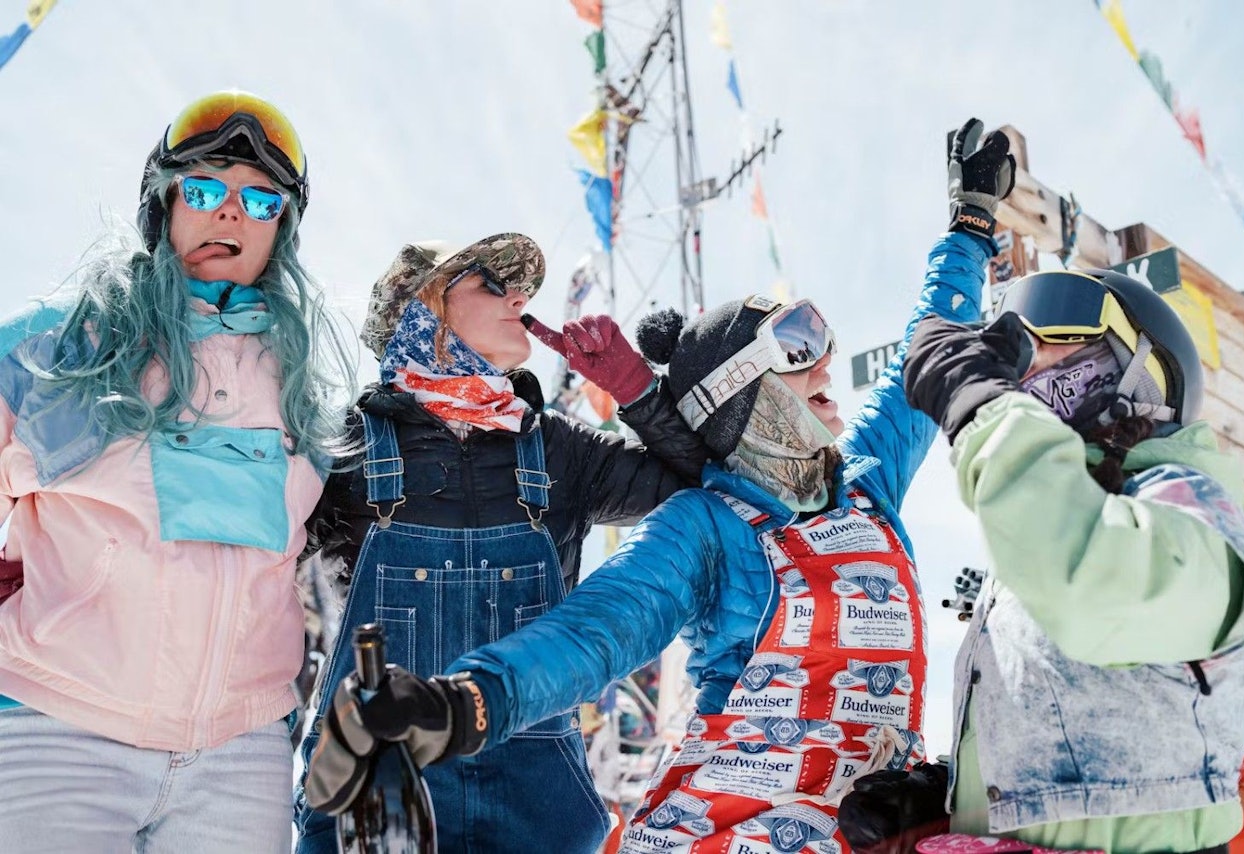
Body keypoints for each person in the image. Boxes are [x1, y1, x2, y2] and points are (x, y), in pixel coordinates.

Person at [302, 118, 1012, 853]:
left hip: (863, 826)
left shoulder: (869, 484)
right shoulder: (708, 526)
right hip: (727, 830)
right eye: (800, 351)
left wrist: (969, 229)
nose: (828, 364)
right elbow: (599, 630)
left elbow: (930, 346)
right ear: (747, 391)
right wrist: (463, 702)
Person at [0, 90, 355, 852]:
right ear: (163, 204)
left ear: (280, 232)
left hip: (240, 759)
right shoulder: (58, 347)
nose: (230, 212)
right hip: (59, 734)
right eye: (204, 188)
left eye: (259, 200)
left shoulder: (304, 394)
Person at [293, 232, 711, 853]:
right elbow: (247, 582)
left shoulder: (560, 449)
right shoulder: (344, 447)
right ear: (423, 309)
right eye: (491, 283)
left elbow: (706, 487)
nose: (519, 297)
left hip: (538, 812)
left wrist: (637, 393)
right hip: (373, 795)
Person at [838, 268, 1244, 854]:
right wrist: (953, 795)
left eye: (1056, 328)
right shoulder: (1044, 533)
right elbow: (1080, 729)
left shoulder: (1192, 506)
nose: (1027, 357)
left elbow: (1098, 592)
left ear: (1141, 369)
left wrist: (982, 406)